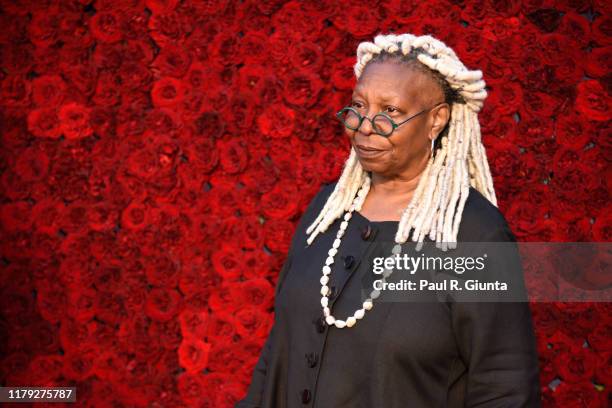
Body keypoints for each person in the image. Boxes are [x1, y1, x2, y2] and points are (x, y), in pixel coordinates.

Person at [236, 33, 541, 408]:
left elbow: (504, 387)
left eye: (390, 112)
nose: (365, 125)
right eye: (358, 106)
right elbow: (276, 353)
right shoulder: (327, 211)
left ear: (436, 120)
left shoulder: (475, 235)